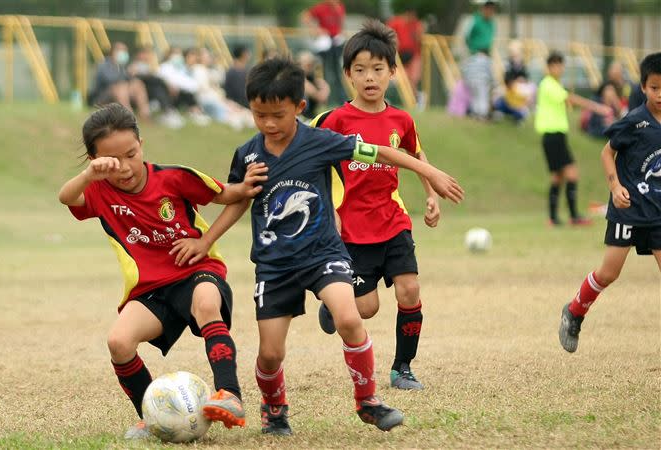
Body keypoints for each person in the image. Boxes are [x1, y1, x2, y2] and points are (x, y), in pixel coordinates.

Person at [171, 57, 464, 435]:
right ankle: (274, 410)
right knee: (271, 353)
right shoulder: (248, 154)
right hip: (275, 265)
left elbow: (383, 152)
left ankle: (368, 401)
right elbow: (239, 200)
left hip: (324, 253)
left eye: (277, 115)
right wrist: (206, 240)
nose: (269, 124)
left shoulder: (321, 142)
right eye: (259, 115)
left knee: (348, 318)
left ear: (299, 107)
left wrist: (431, 173)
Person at [58, 103, 269, 440]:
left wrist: (206, 240)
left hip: (197, 271)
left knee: (204, 303)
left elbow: (232, 195)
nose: (125, 167)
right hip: (151, 290)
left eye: (131, 153)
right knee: (118, 342)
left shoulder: (174, 177)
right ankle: (151, 417)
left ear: (141, 143)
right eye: (114, 162)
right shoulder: (98, 192)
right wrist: (89, 176)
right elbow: (66, 197)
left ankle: (229, 394)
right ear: (96, 160)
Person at [310, 20, 443, 391]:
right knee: (366, 309)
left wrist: (431, 194)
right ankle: (333, 303)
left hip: (393, 220)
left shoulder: (402, 119)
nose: (370, 77)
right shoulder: (334, 120)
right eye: (360, 70)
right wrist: (326, 210)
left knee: (410, 290)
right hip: (351, 229)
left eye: (378, 69)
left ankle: (402, 368)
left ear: (393, 72)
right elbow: (312, 161)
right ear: (348, 75)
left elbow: (416, 156)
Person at [558, 52, 661, 353]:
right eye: (654, 87)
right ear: (643, 87)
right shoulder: (634, 122)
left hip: (657, 212)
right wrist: (615, 186)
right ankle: (575, 312)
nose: (660, 94)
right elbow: (607, 153)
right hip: (628, 210)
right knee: (609, 273)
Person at [535, 52, 612, 227]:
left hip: (554, 136)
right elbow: (570, 98)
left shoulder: (553, 84)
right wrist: (598, 108)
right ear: (549, 67)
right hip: (553, 135)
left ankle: (553, 218)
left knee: (557, 177)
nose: (560, 68)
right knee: (572, 173)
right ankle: (573, 216)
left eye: (561, 65)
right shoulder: (548, 84)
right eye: (556, 65)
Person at [88, 42, 151, 121]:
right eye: (121, 50)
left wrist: (132, 74)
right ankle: (129, 117)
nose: (124, 53)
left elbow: (127, 81)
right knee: (120, 87)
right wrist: (127, 73)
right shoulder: (104, 65)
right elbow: (110, 80)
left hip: (119, 94)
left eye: (125, 50)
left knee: (137, 84)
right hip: (101, 97)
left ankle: (145, 114)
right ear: (113, 52)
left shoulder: (121, 66)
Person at [301, 0, 346, 106]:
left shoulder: (339, 7)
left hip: (336, 41)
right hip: (325, 42)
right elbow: (305, 16)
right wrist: (316, 29)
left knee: (338, 73)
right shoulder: (321, 7)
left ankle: (340, 100)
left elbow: (340, 24)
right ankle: (327, 100)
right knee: (326, 72)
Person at [463, 0, 497, 119]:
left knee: (486, 85)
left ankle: (481, 111)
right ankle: (478, 111)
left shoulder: (492, 23)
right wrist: (473, 49)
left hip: (487, 56)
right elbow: (467, 36)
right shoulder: (475, 20)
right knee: (477, 85)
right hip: (477, 55)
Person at [386, 7, 423, 96]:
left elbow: (420, 39)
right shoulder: (395, 22)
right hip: (398, 55)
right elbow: (387, 33)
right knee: (402, 79)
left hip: (413, 55)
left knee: (413, 79)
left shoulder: (416, 24)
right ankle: (405, 98)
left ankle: (414, 99)